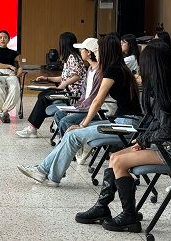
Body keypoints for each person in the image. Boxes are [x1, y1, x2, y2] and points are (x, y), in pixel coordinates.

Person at [75, 41, 171, 233]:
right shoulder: (168, 86)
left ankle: (129, 216)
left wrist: (144, 140)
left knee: (119, 162)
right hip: (166, 144)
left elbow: (166, 130)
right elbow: (157, 123)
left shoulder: (168, 92)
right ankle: (102, 207)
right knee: (114, 157)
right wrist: (142, 140)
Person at [17, 34, 141, 186]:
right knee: (71, 133)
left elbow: (97, 101)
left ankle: (52, 177)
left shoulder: (112, 70)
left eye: (99, 50)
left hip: (126, 125)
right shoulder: (120, 68)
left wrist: (83, 124)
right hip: (124, 122)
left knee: (73, 135)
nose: (97, 53)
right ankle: (42, 170)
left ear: (106, 50)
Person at [16, 32, 85, 137]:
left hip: (73, 93)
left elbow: (77, 76)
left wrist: (63, 84)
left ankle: (32, 128)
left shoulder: (73, 58)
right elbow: (64, 77)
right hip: (66, 90)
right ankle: (33, 126)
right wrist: (47, 78)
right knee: (43, 95)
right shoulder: (69, 58)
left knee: (44, 98)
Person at [53, 38, 102, 137]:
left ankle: (69, 142)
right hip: (83, 107)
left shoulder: (99, 72)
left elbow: (94, 97)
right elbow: (84, 92)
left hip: (90, 109)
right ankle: (66, 141)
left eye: (82, 49)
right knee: (59, 114)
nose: (79, 51)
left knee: (65, 122)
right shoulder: (90, 69)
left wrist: (79, 109)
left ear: (89, 52)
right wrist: (77, 106)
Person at [0, 30, 22, 123]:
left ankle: (4, 111)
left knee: (15, 86)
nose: (3, 39)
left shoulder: (14, 53)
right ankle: (1, 111)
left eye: (5, 37)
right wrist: (9, 66)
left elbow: (19, 66)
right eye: (0, 37)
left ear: (8, 40)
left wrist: (20, 70)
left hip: (10, 74)